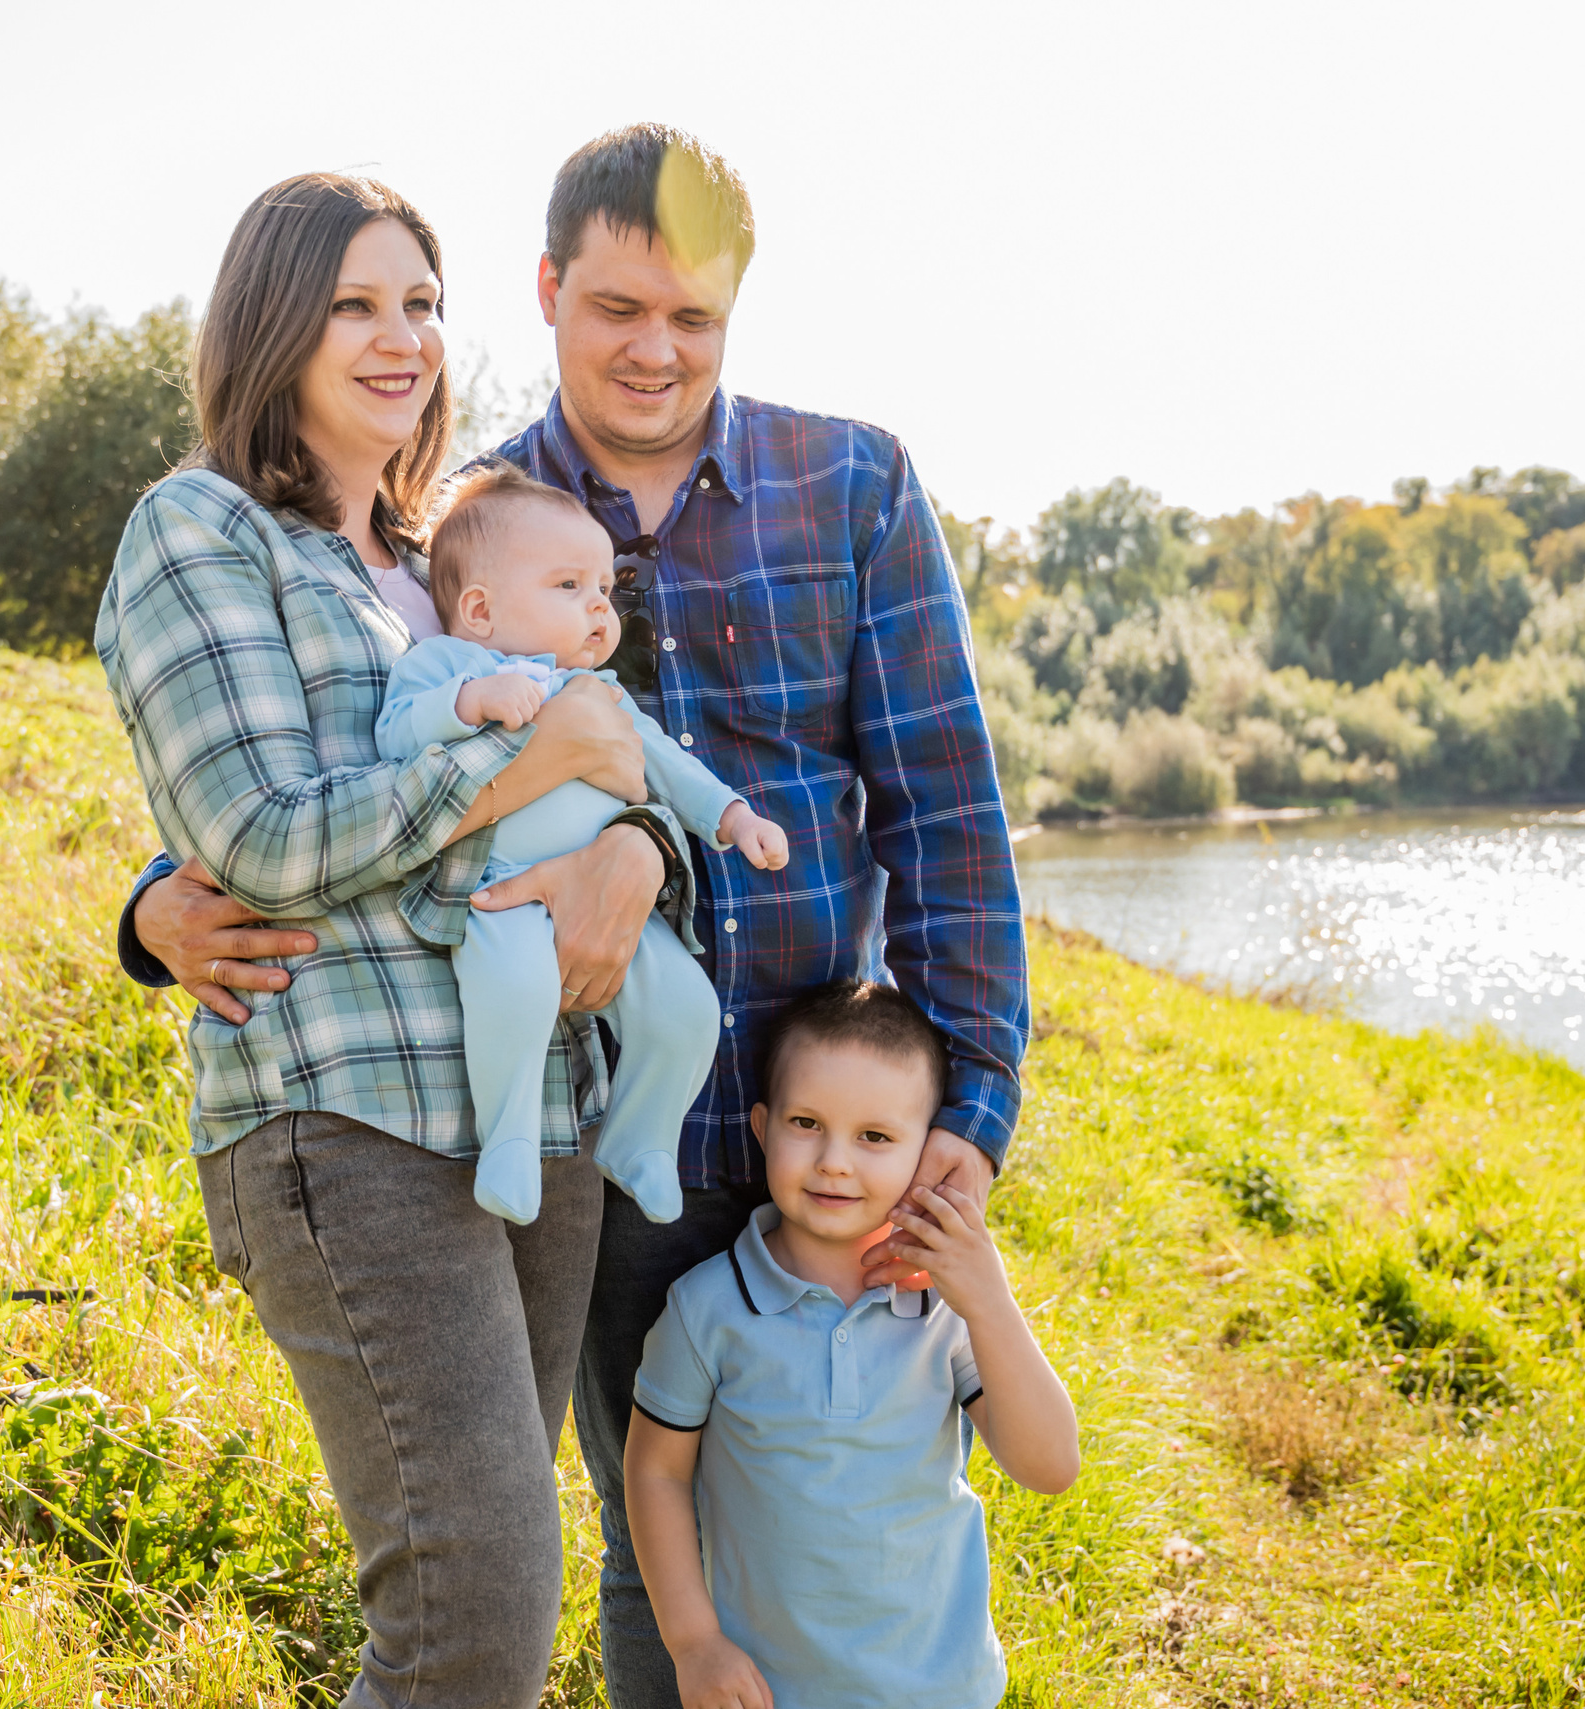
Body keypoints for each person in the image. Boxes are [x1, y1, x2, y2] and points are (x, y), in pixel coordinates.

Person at [117, 125, 1029, 1709]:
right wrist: (150, 911)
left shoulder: (831, 485)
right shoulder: (473, 519)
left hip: (793, 1114)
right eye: (616, 308)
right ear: (550, 295)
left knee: (826, 1514)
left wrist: (975, 1098)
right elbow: (294, 778)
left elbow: (939, 808)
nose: (654, 347)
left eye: (692, 315)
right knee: (586, 1547)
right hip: (535, 1115)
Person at [93, 171, 669, 1709]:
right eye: (354, 302)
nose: (399, 335)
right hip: (347, 1113)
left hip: (535, 1112)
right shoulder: (201, 530)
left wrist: (631, 835)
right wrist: (529, 766)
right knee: (470, 1603)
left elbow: (606, 759)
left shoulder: (447, 561)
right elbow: (265, 830)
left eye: (419, 301)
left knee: (489, 1594)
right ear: (274, 324)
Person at [622, 981, 1079, 1709]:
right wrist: (694, 1642)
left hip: (941, 1688)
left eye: (875, 1136)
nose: (835, 1160)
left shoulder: (947, 1307)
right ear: (763, 1126)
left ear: (928, 1148)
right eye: (807, 1122)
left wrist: (988, 1299)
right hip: (770, 1692)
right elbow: (656, 1474)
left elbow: (1050, 1465)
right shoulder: (708, 1306)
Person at [375, 465, 788, 1224]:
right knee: (518, 993)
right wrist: (470, 703)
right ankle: (508, 1140)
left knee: (690, 1008)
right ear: (479, 608)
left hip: (610, 899)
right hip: (503, 889)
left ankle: (641, 1138)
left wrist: (734, 819)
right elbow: (394, 729)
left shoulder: (604, 694)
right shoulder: (450, 664)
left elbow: (672, 769)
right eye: (569, 586)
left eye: (605, 587)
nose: (600, 604)